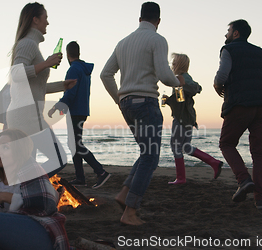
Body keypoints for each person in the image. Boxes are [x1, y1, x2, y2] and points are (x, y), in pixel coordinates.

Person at [100, 2, 183, 225]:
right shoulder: (157, 39)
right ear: (158, 21)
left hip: (127, 104)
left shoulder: (123, 43)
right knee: (150, 157)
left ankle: (124, 193)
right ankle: (130, 212)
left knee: (145, 153)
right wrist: (178, 83)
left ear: (140, 19)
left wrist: (119, 98)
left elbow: (105, 74)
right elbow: (165, 75)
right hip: (146, 102)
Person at [0, 129, 68, 250]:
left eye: (5, 148)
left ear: (19, 151)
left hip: (41, 233)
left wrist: (5, 197)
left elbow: (48, 203)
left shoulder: (32, 175)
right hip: (12, 237)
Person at [214, 19, 262, 209]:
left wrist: (217, 86)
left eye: (228, 31)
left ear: (236, 34)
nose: (225, 34)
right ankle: (261, 200)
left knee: (226, 143)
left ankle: (243, 180)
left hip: (240, 104)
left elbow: (221, 76)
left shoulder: (229, 50)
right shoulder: (260, 52)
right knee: (259, 153)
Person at [7, 2, 76, 177]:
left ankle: (24, 190)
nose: (48, 22)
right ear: (35, 20)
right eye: (45, 18)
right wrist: (46, 63)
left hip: (25, 115)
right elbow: (15, 74)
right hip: (27, 116)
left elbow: (34, 87)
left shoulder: (30, 44)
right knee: (59, 158)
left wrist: (62, 85)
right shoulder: (28, 44)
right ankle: (29, 184)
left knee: (27, 164)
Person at [48, 41, 111, 189]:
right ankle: (80, 177)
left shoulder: (73, 70)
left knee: (76, 144)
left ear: (68, 54)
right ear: (78, 53)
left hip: (75, 111)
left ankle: (101, 172)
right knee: (74, 144)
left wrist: (56, 107)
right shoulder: (83, 69)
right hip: (81, 111)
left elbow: (70, 94)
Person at [163, 53, 223, 185]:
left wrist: (171, 97)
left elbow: (186, 95)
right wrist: (169, 100)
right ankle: (214, 162)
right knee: (185, 146)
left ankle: (180, 178)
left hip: (182, 118)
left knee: (176, 146)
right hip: (189, 117)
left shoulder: (181, 78)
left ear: (179, 64)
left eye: (174, 62)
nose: (172, 65)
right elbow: (184, 97)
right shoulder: (184, 79)